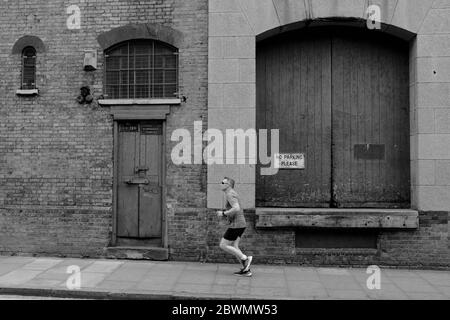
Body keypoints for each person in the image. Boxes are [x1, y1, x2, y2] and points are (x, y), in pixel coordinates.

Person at [216, 177, 253, 276]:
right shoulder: (232, 193)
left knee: (223, 245)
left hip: (236, 225)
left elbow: (236, 208)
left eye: (223, 182)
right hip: (241, 224)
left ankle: (245, 259)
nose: (221, 183)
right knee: (234, 246)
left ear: (228, 185)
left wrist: (224, 213)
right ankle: (246, 270)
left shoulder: (229, 194)